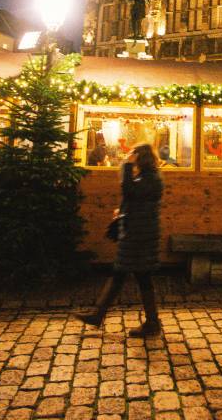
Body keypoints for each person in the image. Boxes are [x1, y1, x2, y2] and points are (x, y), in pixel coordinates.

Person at [76, 143, 164, 338]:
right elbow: (134, 198)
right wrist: (122, 211)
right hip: (137, 234)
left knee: (137, 276)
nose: (129, 156)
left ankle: (151, 323)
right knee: (126, 275)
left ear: (140, 157)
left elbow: (129, 191)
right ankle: (99, 315)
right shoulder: (148, 177)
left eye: (133, 154)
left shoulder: (151, 178)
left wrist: (125, 165)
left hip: (140, 236)